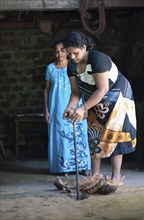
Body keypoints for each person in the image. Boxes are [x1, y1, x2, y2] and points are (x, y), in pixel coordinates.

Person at [63, 31, 137, 194]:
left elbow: (102, 88)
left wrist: (83, 108)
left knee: (114, 135)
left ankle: (115, 177)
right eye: (69, 54)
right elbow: (76, 92)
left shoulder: (97, 59)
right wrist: (70, 107)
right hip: (94, 98)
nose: (73, 57)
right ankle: (94, 176)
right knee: (94, 132)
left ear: (84, 47)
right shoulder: (71, 65)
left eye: (76, 53)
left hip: (116, 93)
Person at [44, 40, 91, 176]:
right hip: (56, 106)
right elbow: (46, 90)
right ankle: (63, 167)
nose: (59, 54)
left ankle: (83, 166)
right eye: (57, 51)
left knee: (79, 132)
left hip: (75, 103)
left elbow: (83, 86)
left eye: (62, 50)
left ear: (67, 52)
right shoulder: (51, 68)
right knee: (60, 134)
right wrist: (46, 109)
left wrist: (85, 106)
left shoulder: (74, 65)